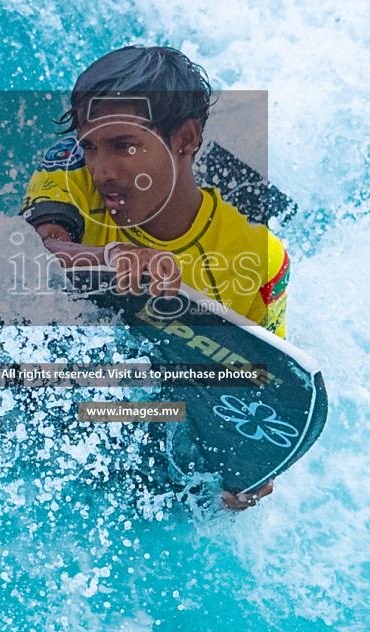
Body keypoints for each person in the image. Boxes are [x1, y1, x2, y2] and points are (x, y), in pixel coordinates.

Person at [20, 45, 291, 511]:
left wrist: (251, 472)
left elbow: (266, 383)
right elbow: (40, 250)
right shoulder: (68, 169)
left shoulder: (260, 257)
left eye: (123, 147)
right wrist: (107, 256)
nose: (102, 171)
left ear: (186, 138)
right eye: (91, 146)